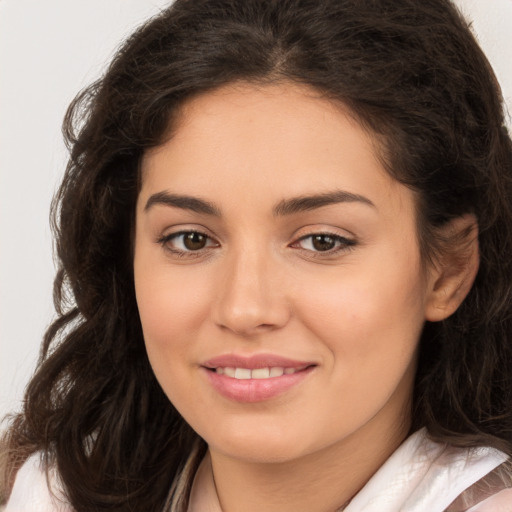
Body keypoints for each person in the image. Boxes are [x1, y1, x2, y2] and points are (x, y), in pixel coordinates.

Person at [2, 0, 512, 510]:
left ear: (447, 269)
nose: (244, 309)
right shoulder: (46, 495)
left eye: (322, 241)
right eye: (191, 239)